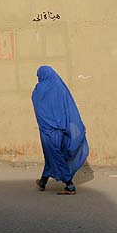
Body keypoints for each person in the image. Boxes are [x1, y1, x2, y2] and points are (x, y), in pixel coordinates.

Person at [32, 66, 89, 194]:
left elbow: (38, 107)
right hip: (62, 129)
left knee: (55, 156)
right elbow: (69, 108)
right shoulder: (60, 87)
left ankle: (69, 184)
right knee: (51, 155)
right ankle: (43, 181)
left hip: (47, 132)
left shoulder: (37, 91)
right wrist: (76, 125)